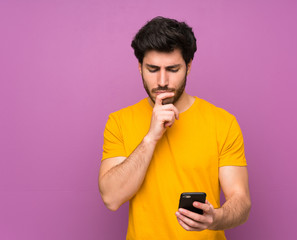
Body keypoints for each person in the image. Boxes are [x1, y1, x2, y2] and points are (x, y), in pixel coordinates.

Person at [98, 16, 251, 240]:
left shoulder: (223, 122)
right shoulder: (119, 122)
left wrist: (215, 218)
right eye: (152, 69)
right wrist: (150, 138)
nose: (162, 81)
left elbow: (242, 201)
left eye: (172, 69)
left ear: (188, 67)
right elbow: (111, 198)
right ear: (139, 67)